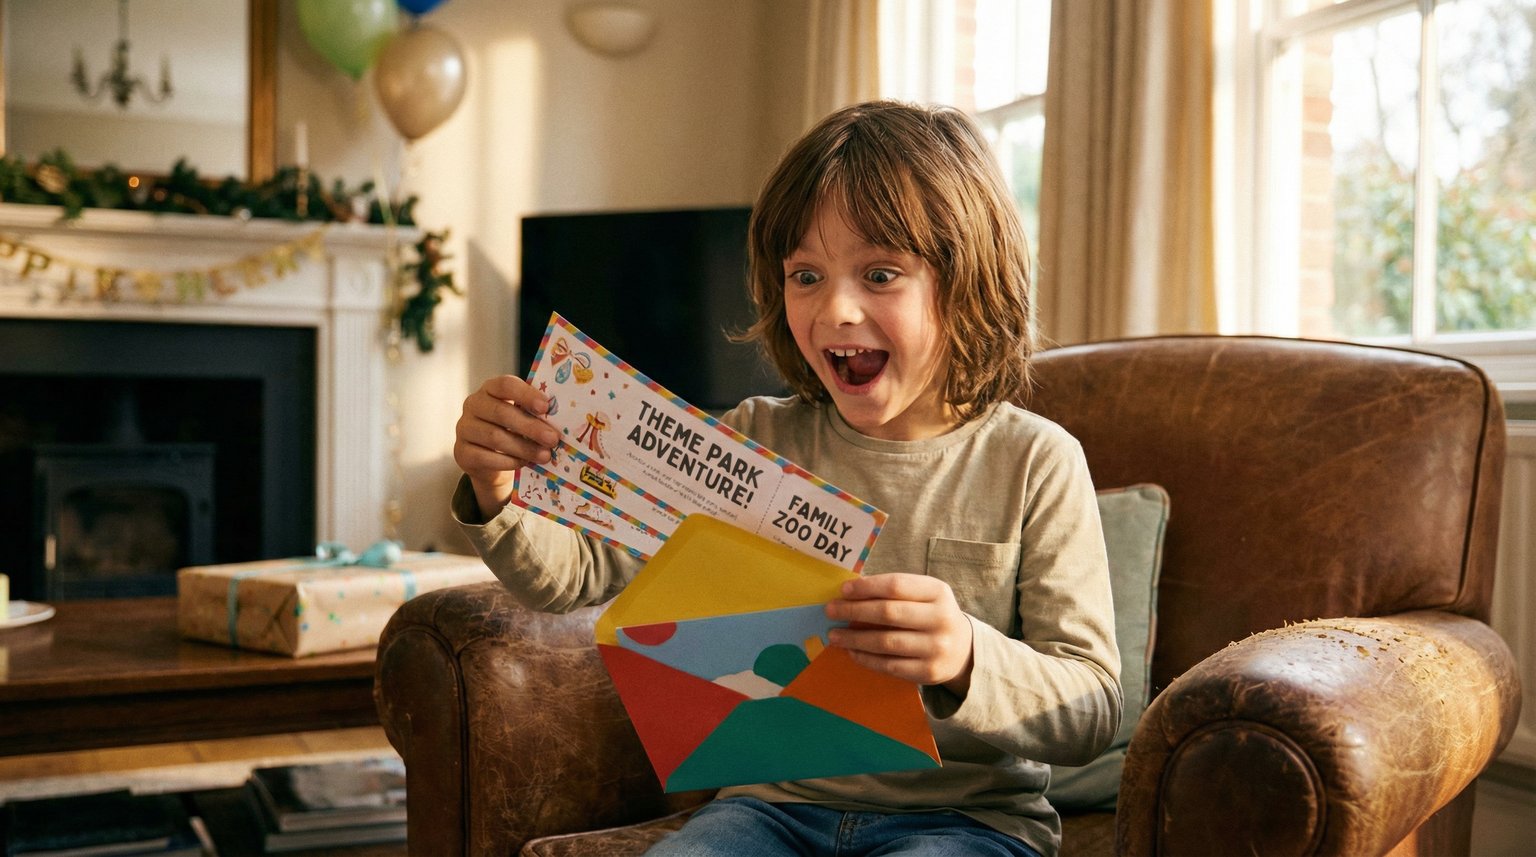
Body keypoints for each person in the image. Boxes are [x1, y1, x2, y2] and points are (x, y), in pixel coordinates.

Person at [451, 100, 1121, 857]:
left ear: (963, 283)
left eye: (879, 274)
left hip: (967, 822)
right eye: (806, 275)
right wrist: (497, 490)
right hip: (768, 813)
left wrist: (966, 655)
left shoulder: (1036, 460)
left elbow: (1092, 706)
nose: (835, 309)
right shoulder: (752, 440)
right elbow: (571, 578)